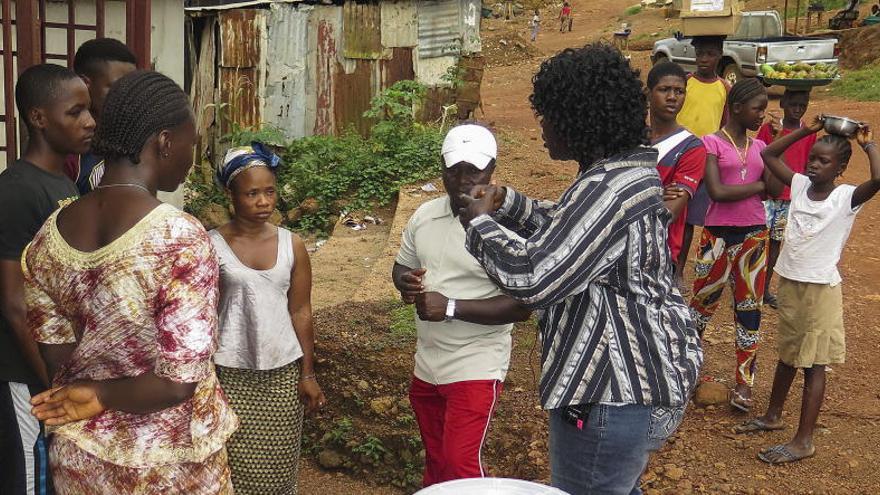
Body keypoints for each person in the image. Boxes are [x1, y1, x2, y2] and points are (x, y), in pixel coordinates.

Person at [458, 44, 702, 495]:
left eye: (549, 115)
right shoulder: (626, 174)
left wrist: (477, 222)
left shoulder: (607, 190)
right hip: (639, 388)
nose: (543, 127)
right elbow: (573, 234)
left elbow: (534, 277)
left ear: (579, 117)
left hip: (608, 392)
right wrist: (508, 202)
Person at [24, 70, 238, 494]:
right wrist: (103, 394)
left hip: (82, 456)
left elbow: (58, 358)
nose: (191, 161)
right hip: (172, 464)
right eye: (190, 147)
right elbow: (178, 381)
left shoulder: (47, 238)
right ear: (164, 142)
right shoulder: (180, 237)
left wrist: (97, 391)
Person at [392, 124, 531, 487]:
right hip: (428, 361)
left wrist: (450, 306)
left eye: (474, 170)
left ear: (492, 169)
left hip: (476, 364)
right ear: (441, 168)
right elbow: (402, 265)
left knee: (460, 466)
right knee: (437, 464)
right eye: (454, 170)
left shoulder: (508, 228)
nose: (463, 180)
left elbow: (521, 306)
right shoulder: (426, 216)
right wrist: (404, 282)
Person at [734, 119, 880, 465]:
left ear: (841, 168)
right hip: (791, 282)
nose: (813, 164)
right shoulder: (799, 185)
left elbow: (877, 179)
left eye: (823, 161)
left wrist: (867, 144)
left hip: (819, 290)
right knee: (788, 355)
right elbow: (769, 153)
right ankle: (773, 416)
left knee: (813, 365)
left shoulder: (845, 198)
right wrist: (806, 131)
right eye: (812, 158)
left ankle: (804, 440)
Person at [210, 143, 326, 494]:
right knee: (232, 468)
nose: (263, 201)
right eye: (252, 193)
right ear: (231, 195)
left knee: (277, 470)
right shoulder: (210, 246)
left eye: (270, 191)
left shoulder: (294, 245)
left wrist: (307, 373)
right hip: (229, 373)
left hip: (282, 374)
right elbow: (203, 314)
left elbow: (301, 310)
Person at [0, 63, 93, 495]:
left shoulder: (63, 183)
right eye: (75, 112)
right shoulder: (17, 190)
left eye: (88, 111)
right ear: (38, 118)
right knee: (29, 477)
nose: (89, 122)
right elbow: (15, 302)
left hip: (57, 366)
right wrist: (52, 384)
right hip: (27, 374)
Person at [689, 78, 781, 413]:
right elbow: (717, 191)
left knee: (750, 311)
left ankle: (744, 384)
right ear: (737, 107)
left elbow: (772, 188)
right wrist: (758, 185)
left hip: (755, 234)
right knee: (701, 306)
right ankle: (686, 372)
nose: (761, 115)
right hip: (716, 235)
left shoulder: (759, 147)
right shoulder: (710, 143)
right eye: (757, 108)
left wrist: (776, 142)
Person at [755, 89, 816, 309]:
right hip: (766, 196)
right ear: (783, 103)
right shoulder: (769, 129)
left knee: (775, 243)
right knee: (755, 242)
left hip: (790, 198)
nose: (798, 109)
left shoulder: (809, 133)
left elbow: (810, 165)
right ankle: (749, 284)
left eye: (803, 104)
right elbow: (759, 157)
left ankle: (765, 289)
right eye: (794, 104)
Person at [647, 61, 707, 282]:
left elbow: (669, 212)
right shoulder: (631, 139)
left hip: (660, 254)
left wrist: (631, 197)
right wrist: (654, 194)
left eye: (679, 91)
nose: (672, 97)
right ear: (648, 93)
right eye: (664, 90)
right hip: (619, 248)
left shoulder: (691, 148)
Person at [676, 35, 730, 281]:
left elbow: (725, 126)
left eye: (709, 54)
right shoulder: (685, 83)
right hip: (679, 155)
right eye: (700, 54)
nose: (704, 59)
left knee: (693, 219)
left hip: (706, 159)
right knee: (674, 214)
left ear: (719, 55)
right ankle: (668, 266)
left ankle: (686, 270)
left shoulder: (724, 89)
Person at [63, 38, 138, 195]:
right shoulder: (68, 149)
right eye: (117, 87)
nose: (127, 97)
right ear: (85, 84)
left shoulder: (130, 139)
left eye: (131, 88)